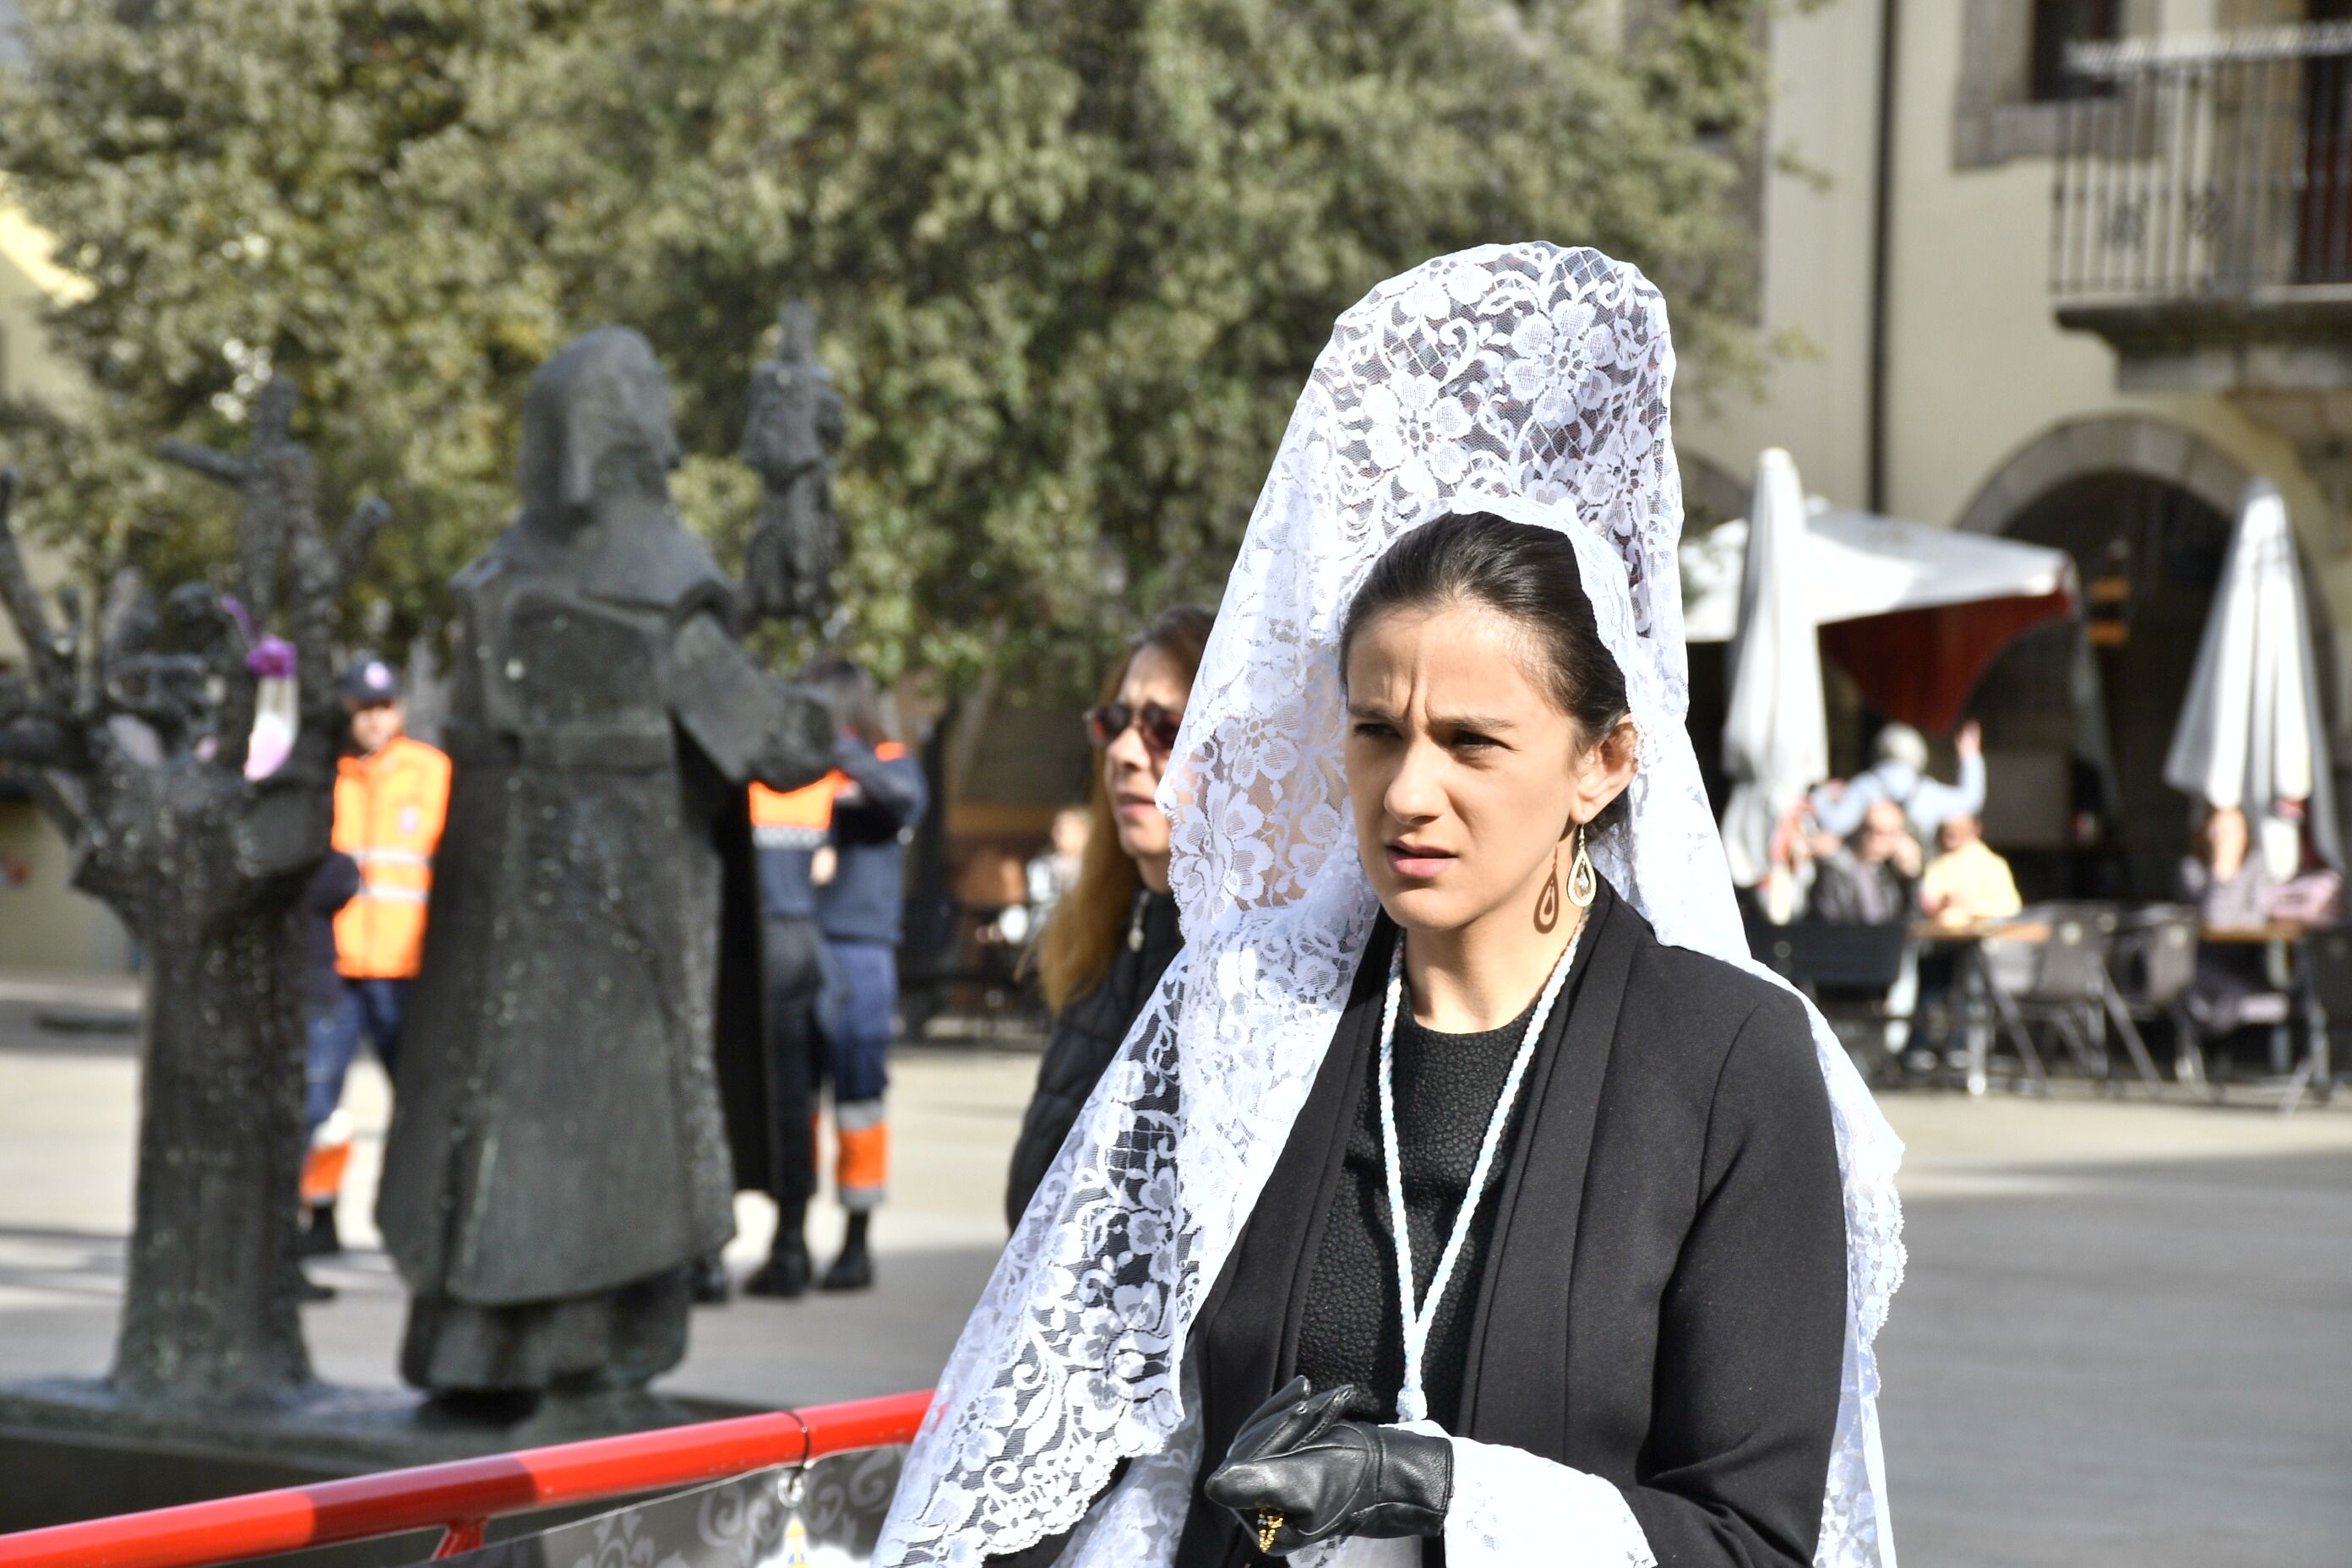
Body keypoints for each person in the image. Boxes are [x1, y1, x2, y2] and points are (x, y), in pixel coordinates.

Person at [881, 244, 1901, 1568]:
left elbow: (1754, 1542)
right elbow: (1079, 1451)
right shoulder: (1244, 1013)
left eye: (1473, 743)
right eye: (1376, 731)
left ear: (1603, 762)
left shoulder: (1729, 1061)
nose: (1408, 792)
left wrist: (1441, 1492)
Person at [1002, 606, 1212, 1228]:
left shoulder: (1252, 976)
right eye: (1115, 722)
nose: (1122, 751)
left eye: (1164, 729)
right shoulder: (1098, 935)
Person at [301, 658, 450, 1259]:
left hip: (408, 970)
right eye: (363, 709)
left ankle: (423, 1219)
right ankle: (320, 1215)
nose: (374, 719)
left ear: (401, 711)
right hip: (336, 970)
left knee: (422, 1102)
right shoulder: (326, 777)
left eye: (384, 707)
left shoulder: (432, 772)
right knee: (319, 1105)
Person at [804, 656, 927, 1292]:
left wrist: (843, 753)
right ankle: (788, 1238)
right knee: (793, 1102)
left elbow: (906, 800)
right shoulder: (798, 778)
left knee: (858, 1100)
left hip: (861, 950)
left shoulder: (888, 759)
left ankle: (856, 1242)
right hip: (798, 946)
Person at [1811, 719, 1984, 842]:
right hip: (1911, 879)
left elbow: (1833, 823)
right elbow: (1970, 799)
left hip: (1870, 882)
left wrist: (1822, 795)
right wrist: (1969, 756)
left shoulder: (1864, 785)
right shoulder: (1926, 791)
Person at [1810, 798, 1922, 926]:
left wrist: (1910, 878)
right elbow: (1827, 926)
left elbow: (1911, 928)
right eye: (1870, 829)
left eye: (1886, 833)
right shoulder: (1835, 869)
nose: (1875, 838)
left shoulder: (1890, 873)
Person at [1919, 812, 2022, 925]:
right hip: (1940, 936)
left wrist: (1972, 906)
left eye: (1958, 828)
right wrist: (1943, 903)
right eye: (1947, 829)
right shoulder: (1937, 865)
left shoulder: (1992, 864)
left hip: (1982, 936)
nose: (1951, 832)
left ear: (1973, 830)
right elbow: (1927, 900)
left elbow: (2012, 907)